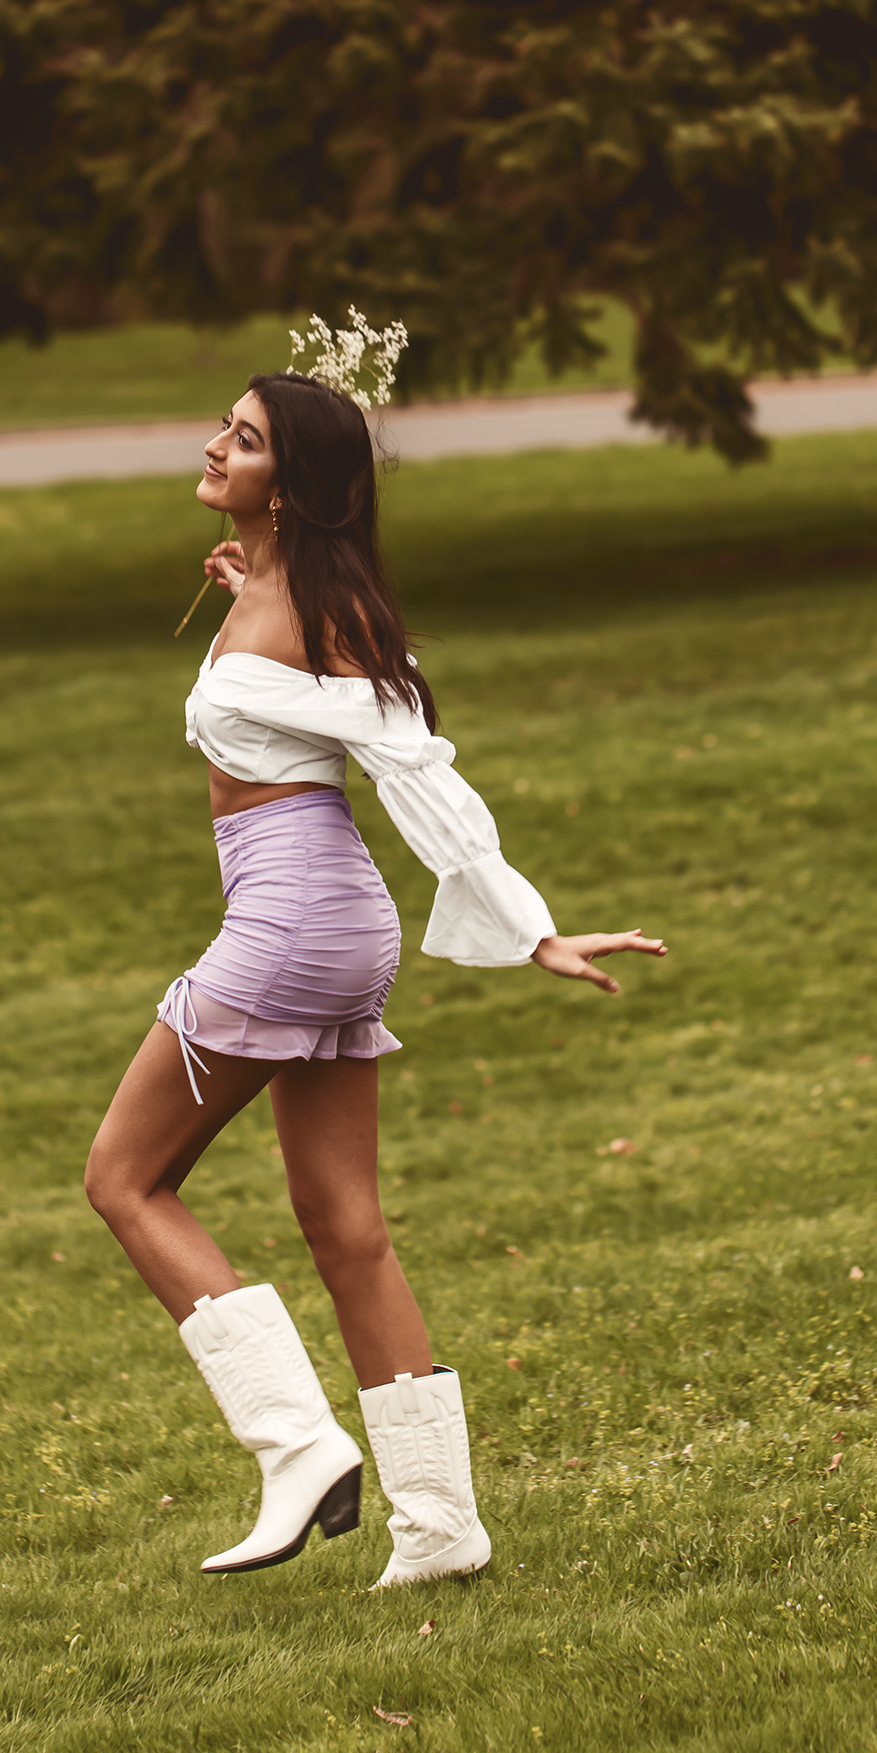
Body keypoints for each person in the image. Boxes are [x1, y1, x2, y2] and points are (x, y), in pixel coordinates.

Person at [84, 369, 665, 1587]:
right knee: (343, 1223)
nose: (214, 445)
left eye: (243, 440)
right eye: (225, 427)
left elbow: (412, 766)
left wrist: (528, 928)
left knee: (125, 1179)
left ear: (289, 485)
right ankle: (441, 1525)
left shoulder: (320, 611)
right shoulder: (281, 590)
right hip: (332, 921)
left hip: (293, 920)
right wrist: (249, 581)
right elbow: (288, 696)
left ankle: (297, 1446)